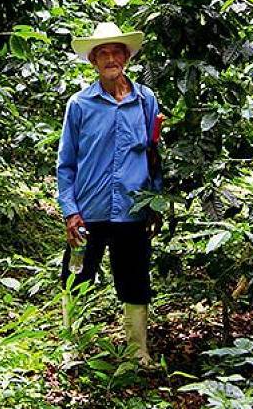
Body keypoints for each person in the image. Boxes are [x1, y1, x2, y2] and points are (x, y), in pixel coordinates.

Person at [56, 21, 163, 367]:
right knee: (76, 276)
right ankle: (72, 345)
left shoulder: (145, 100)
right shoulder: (80, 105)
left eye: (117, 51)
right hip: (88, 210)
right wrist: (70, 211)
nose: (110, 58)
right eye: (103, 53)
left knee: (134, 278)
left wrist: (155, 202)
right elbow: (66, 162)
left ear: (127, 57)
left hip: (132, 210)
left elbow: (153, 152)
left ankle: (138, 350)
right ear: (93, 61)